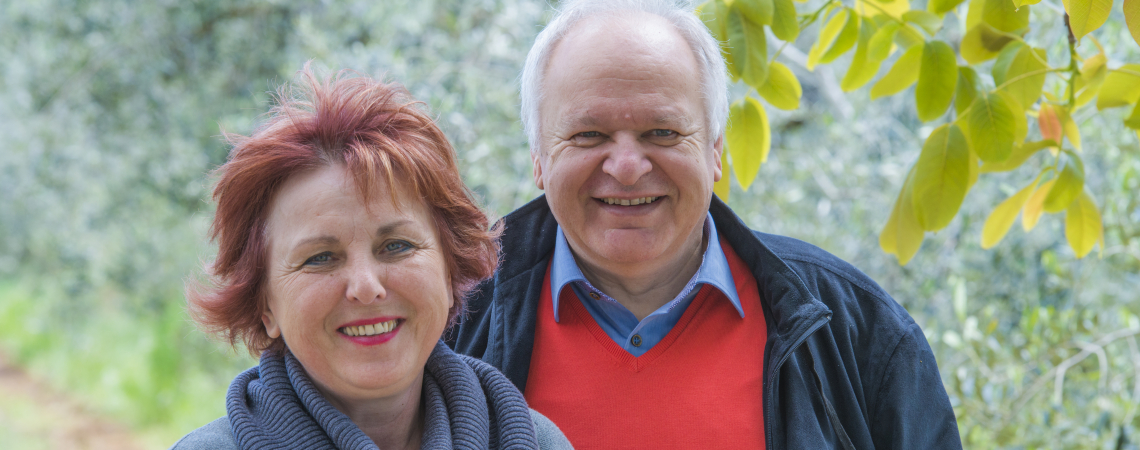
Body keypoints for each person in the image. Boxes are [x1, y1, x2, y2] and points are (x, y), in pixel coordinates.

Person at [448, 0, 962, 449]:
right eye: (588, 134)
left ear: (715, 150)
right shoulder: (450, 325)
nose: (626, 167)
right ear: (538, 156)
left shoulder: (856, 330)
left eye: (662, 131)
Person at [172, 67, 572, 450]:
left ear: (451, 271)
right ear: (264, 306)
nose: (366, 287)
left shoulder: (539, 442)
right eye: (321, 257)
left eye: (396, 246)